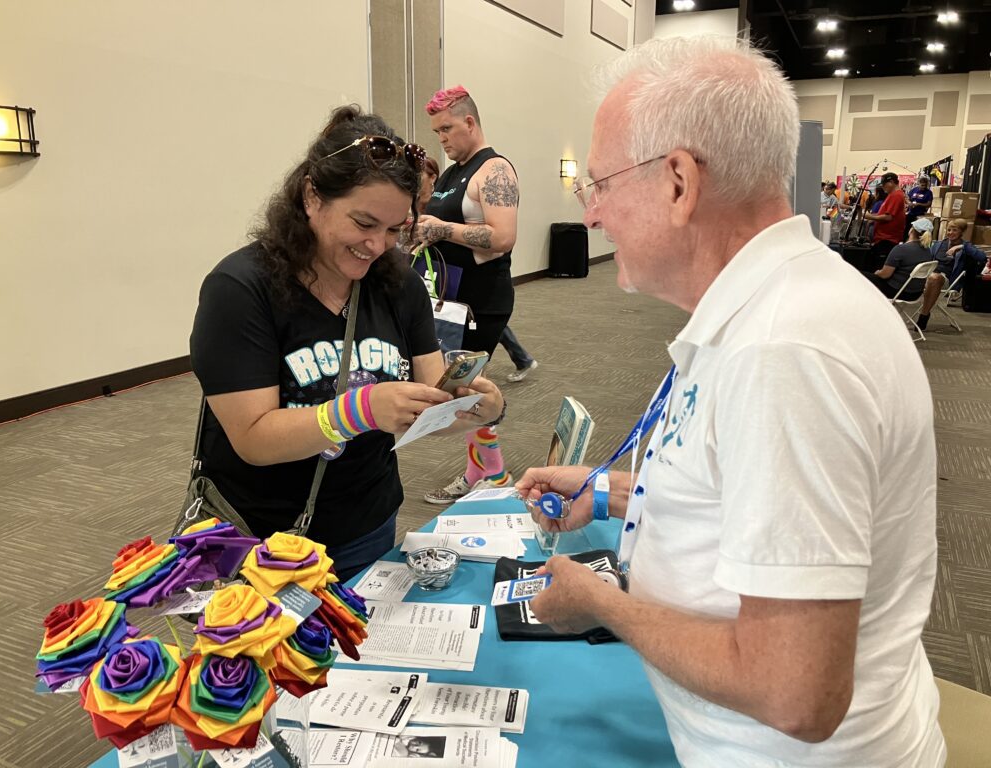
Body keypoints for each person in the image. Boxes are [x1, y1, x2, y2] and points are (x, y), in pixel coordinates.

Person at [516, 36, 944, 766]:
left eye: (601, 186)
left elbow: (795, 693)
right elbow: (742, 492)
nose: (592, 216)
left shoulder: (784, 352)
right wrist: (614, 492)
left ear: (678, 182)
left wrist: (599, 601)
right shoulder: (772, 307)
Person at [189, 106, 505, 580]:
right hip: (260, 543)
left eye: (395, 230)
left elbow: (426, 402)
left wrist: (473, 406)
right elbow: (252, 438)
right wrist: (360, 410)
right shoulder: (240, 289)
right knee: (271, 655)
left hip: (366, 524)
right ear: (312, 196)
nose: (377, 245)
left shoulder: (399, 285)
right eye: (363, 223)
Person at [417, 86, 520, 504]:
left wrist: (441, 229)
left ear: (470, 122)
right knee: (462, 386)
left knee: (468, 386)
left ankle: (491, 472)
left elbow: (503, 237)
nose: (441, 139)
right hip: (450, 298)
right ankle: (482, 468)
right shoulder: (451, 172)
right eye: (436, 131)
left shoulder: (494, 171)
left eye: (446, 129)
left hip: (482, 301)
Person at [916, 217, 986, 328]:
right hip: (929, 275)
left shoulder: (966, 247)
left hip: (948, 280)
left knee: (934, 278)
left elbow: (982, 257)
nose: (950, 233)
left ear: (961, 232)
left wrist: (961, 246)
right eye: (949, 230)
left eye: (954, 230)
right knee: (929, 276)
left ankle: (923, 315)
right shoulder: (938, 244)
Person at [864, 217, 934, 299]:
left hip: (896, 291)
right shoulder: (928, 251)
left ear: (911, 230)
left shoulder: (901, 249)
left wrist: (877, 273)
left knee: (860, 275)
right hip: (915, 294)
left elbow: (885, 275)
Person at [863, 172, 906, 261]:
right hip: (884, 239)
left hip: (887, 240)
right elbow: (885, 214)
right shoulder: (892, 195)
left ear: (891, 182)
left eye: (884, 184)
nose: (883, 187)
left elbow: (888, 217)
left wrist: (869, 217)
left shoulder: (896, 195)